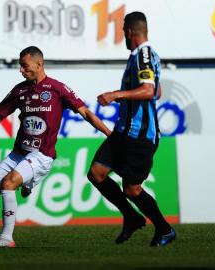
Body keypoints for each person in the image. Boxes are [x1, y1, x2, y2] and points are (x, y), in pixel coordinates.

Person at [0, 46, 111, 248]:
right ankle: (26, 182)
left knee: (8, 184)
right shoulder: (20, 90)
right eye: (20, 66)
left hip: (42, 156)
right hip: (18, 154)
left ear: (39, 63)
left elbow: (86, 113)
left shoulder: (57, 89)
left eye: (24, 66)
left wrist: (109, 134)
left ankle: (6, 238)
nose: (21, 70)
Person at [87, 11, 176, 247]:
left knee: (132, 189)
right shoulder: (141, 56)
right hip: (124, 131)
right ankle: (132, 216)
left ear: (129, 32)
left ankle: (164, 229)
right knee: (96, 173)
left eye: (123, 32)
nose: (123, 37)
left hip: (140, 135)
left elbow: (148, 91)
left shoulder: (144, 54)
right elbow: (156, 91)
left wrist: (116, 95)